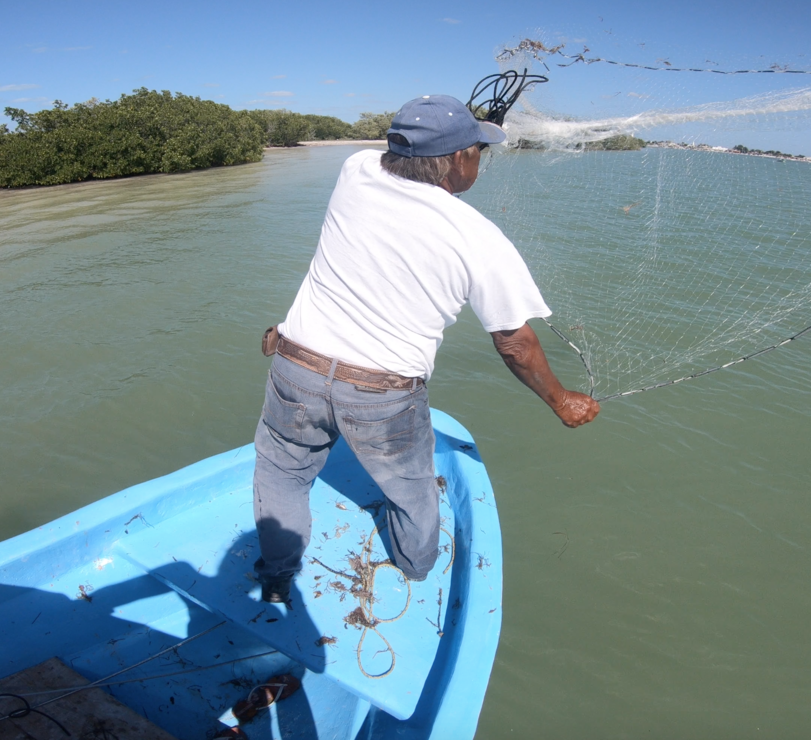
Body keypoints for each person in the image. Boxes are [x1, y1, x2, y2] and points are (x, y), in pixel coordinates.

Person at [252, 94, 599, 603]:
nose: (480, 157)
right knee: (409, 489)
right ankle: (414, 569)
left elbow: (413, 147)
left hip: (294, 366)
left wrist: (467, 129)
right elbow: (516, 345)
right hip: (380, 395)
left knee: (282, 470)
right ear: (460, 158)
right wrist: (560, 400)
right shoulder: (480, 238)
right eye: (478, 150)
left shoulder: (355, 170)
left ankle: (277, 578)